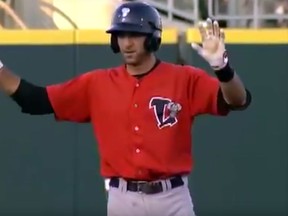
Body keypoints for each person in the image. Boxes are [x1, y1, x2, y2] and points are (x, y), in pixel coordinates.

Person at [0, 1, 251, 216]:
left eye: (134, 34)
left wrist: (222, 67)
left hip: (173, 199)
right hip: (123, 200)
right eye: (121, 35)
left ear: (152, 37)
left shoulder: (184, 78)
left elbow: (238, 100)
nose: (127, 42)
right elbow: (34, 100)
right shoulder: (97, 83)